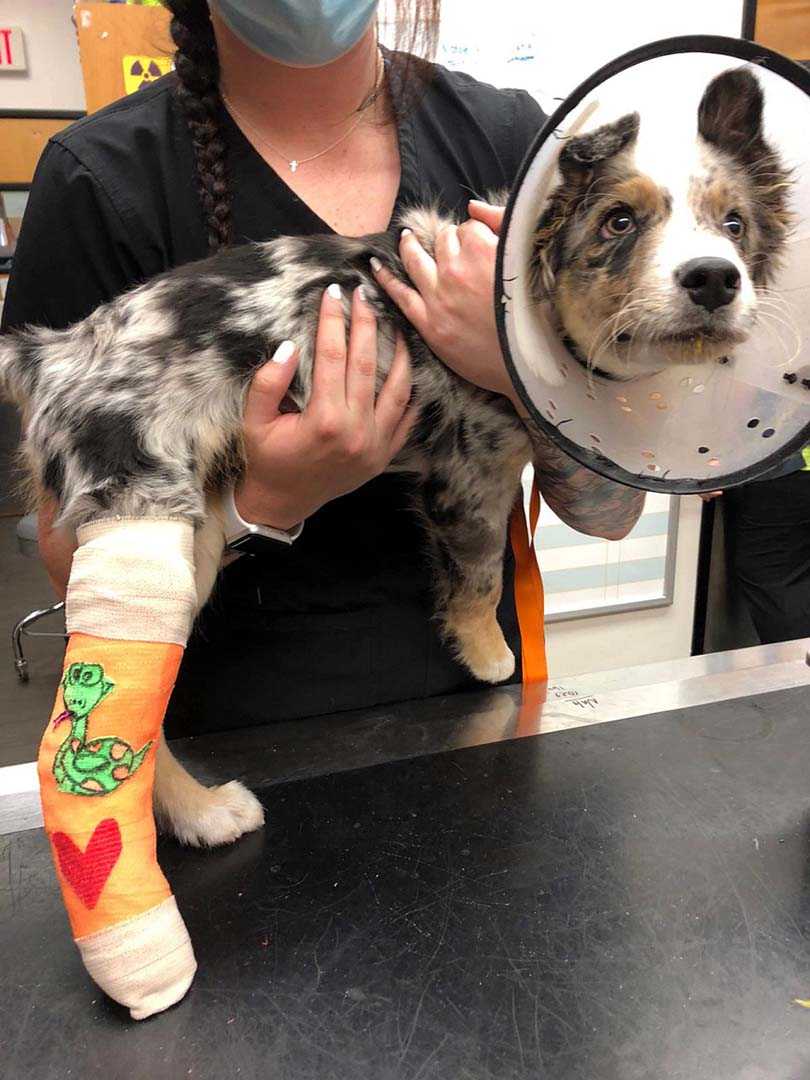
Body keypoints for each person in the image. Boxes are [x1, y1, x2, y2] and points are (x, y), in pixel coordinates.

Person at [3, 0, 644, 739]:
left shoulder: (504, 140)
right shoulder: (101, 177)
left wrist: (521, 372)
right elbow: (70, 564)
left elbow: (611, 513)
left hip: (480, 708)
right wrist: (260, 505)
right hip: (225, 733)